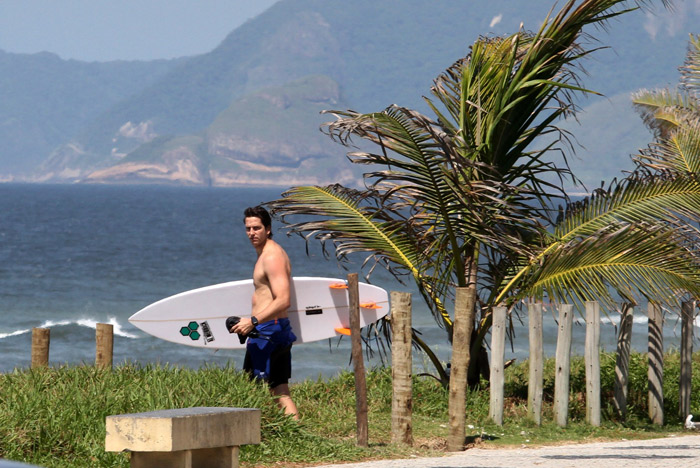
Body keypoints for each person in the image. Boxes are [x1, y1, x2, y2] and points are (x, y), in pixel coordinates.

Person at [230, 205, 299, 419]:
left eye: (257, 228)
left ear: (268, 229)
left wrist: (253, 321)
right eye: (248, 229)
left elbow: (283, 300)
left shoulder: (272, 257)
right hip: (272, 329)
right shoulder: (266, 254)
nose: (252, 233)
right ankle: (297, 434)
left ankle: (259, 434)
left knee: (254, 387)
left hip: (267, 331)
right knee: (279, 388)